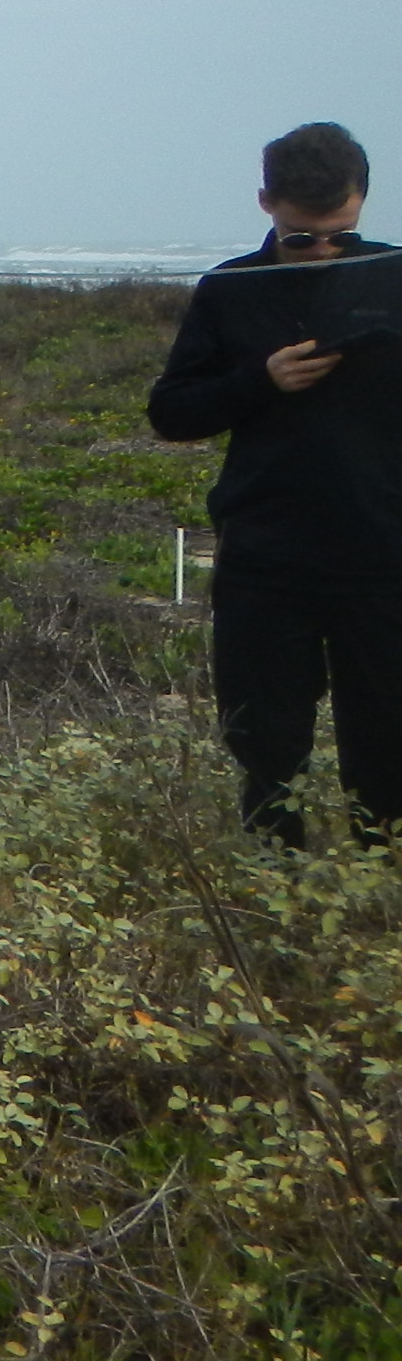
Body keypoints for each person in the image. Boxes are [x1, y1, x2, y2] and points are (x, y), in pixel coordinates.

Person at [148, 122, 402, 848]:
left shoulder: (397, 276)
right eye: (302, 238)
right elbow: (172, 413)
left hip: (386, 553)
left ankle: (375, 893)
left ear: (362, 202)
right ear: (266, 203)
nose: (323, 252)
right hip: (267, 555)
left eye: (340, 237)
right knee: (264, 740)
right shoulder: (232, 290)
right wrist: (261, 382)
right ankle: (274, 890)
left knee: (389, 748)